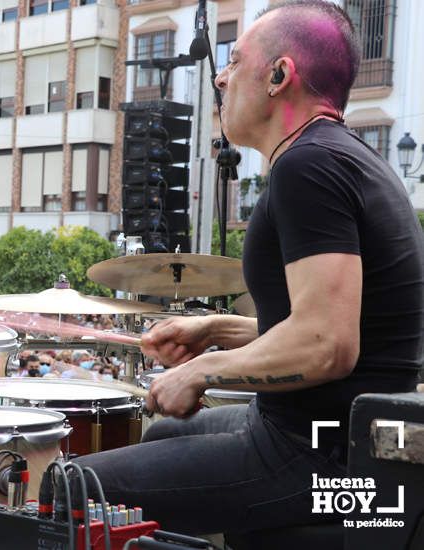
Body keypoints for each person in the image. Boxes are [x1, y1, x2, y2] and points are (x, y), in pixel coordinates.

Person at [75, 0, 424, 537]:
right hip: (334, 431)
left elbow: (328, 344)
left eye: (235, 61)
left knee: (73, 489)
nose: (220, 76)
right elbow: (329, 327)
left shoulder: (309, 167)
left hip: (324, 453)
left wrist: (199, 371)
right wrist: (213, 330)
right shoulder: (340, 156)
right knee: (161, 436)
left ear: (280, 75)